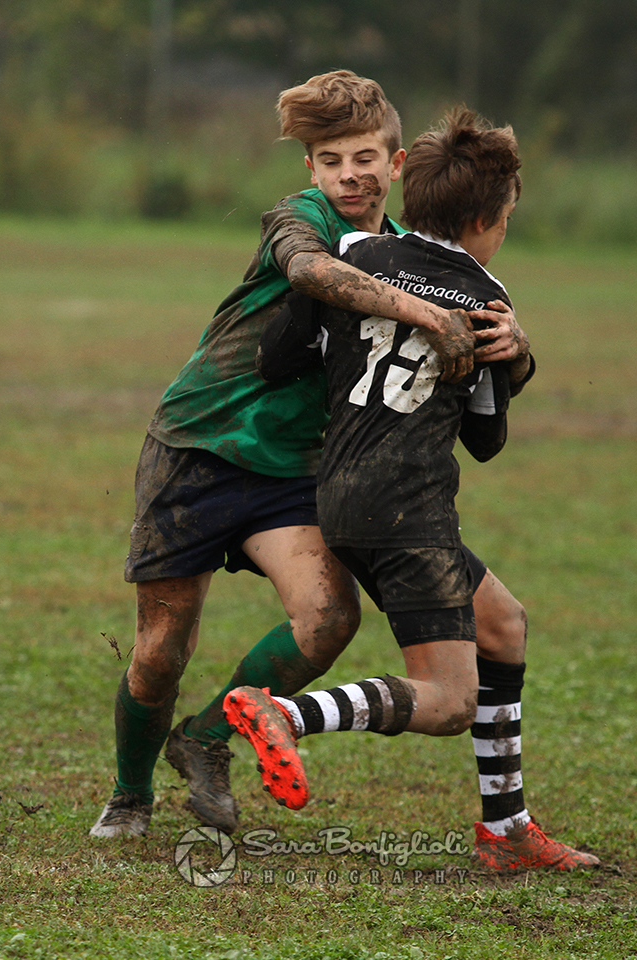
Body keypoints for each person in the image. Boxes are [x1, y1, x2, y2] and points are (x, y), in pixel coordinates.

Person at [89, 71, 485, 840]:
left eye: (364, 158)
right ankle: (129, 795)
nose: (349, 175)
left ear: (395, 165)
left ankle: (205, 741)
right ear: (311, 170)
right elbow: (311, 272)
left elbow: (473, 301)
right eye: (331, 160)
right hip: (197, 448)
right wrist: (425, 314)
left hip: (293, 468)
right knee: (162, 650)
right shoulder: (297, 218)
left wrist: (513, 339)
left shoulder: (400, 250)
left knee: (330, 616)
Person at [225, 108, 601, 872]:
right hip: (410, 508)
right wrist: (513, 358)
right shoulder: (487, 300)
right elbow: (487, 442)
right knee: (452, 702)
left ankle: (507, 830)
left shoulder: (357, 251)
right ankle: (285, 712)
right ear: (486, 220)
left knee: (503, 624)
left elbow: (279, 353)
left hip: (340, 491)